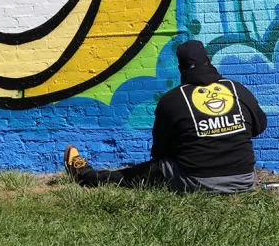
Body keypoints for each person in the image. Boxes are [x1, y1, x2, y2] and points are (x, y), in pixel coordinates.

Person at [63, 40, 267, 193]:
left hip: (195, 181)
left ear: (181, 68)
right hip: (243, 180)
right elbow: (259, 127)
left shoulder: (172, 100)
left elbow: (160, 151)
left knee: (139, 173)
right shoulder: (237, 89)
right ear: (209, 61)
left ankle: (86, 176)